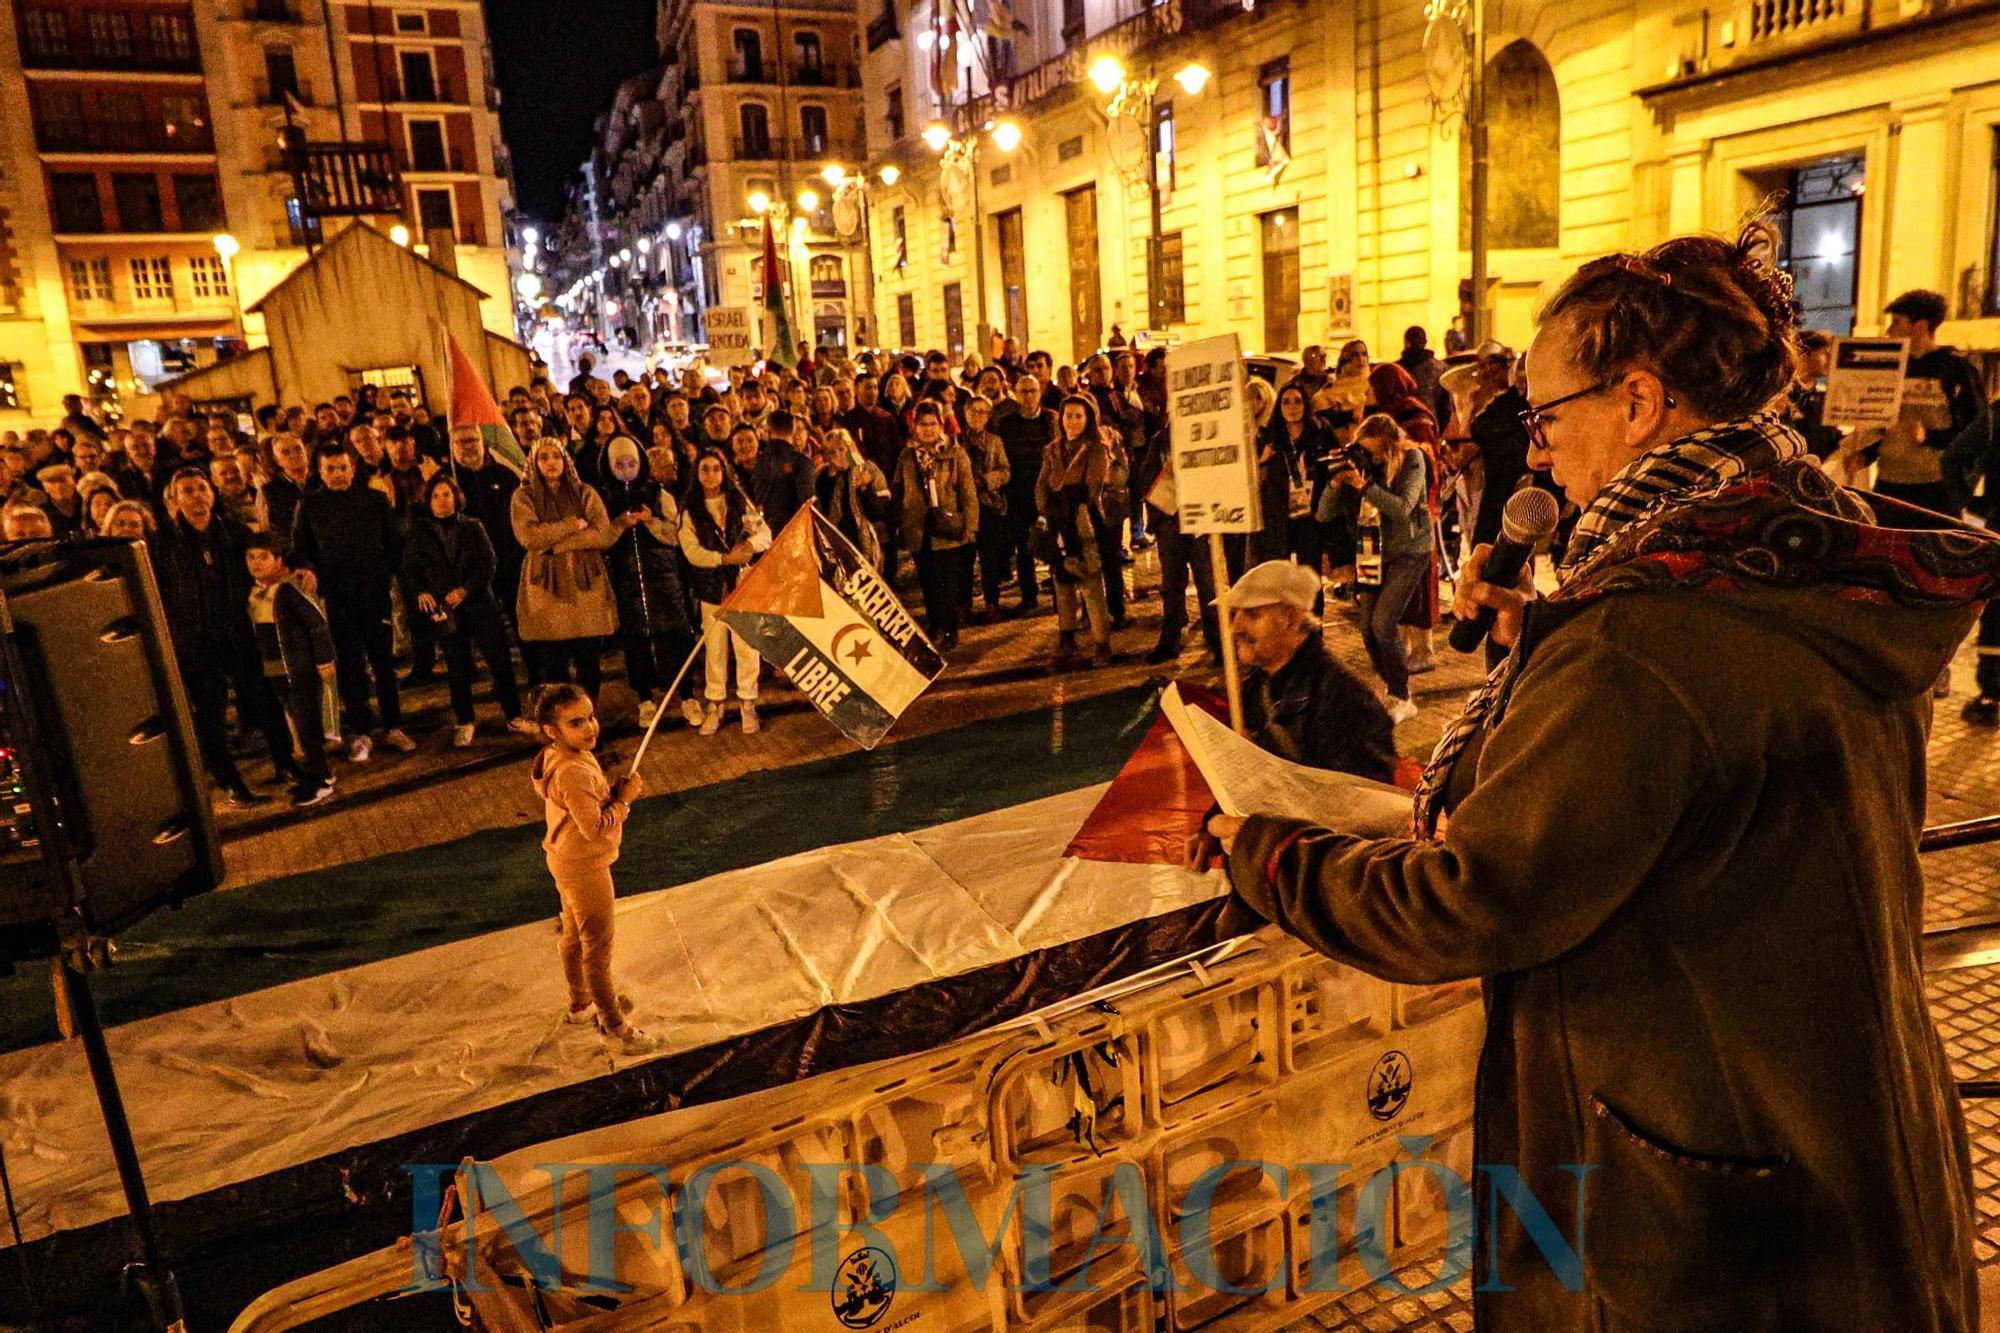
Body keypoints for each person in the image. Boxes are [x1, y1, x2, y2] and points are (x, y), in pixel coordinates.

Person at [1203, 222, 1993, 1333]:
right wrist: (1544, 639)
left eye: (1545, 416)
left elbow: (1472, 899)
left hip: (1697, 1213)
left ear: (1636, 402)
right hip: (1846, 1137)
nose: (1533, 453)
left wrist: (1264, 852)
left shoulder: (1641, 634)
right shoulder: (1817, 554)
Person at [153, 470, 302, 804]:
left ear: (213, 493)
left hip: (237, 633)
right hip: (195, 641)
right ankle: (230, 780)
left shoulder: (234, 534)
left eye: (202, 489)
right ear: (175, 500)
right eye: (187, 491)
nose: (196, 497)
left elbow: (265, 566)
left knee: (263, 699)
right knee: (211, 713)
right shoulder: (162, 543)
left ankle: (286, 761)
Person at [528, 683, 653, 1050]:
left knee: (572, 935)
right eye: (576, 722)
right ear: (552, 731)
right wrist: (625, 802)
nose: (591, 728)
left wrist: (609, 795)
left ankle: (581, 1003)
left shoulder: (552, 756)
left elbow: (580, 804)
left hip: (563, 858)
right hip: (584, 865)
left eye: (591, 717)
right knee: (597, 948)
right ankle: (614, 1024)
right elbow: (595, 827)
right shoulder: (574, 770)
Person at [1218, 560, 1397, 782]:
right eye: (1236, 613)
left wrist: (1265, 771)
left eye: (1253, 615)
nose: (1237, 626)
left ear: (1292, 619)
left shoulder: (1344, 703)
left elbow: (1358, 804)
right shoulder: (1258, 686)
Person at [292, 443, 413, 761]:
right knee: (350, 666)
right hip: (336, 599)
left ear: (353, 468)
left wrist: (382, 574)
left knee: (384, 663)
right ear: (320, 471)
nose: (338, 474)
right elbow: (301, 548)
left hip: (374, 595)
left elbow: (394, 543)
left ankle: (394, 726)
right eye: (330, 469)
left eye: (343, 467)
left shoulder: (375, 500)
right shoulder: (309, 505)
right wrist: (310, 571)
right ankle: (362, 732)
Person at [403, 473, 535, 746]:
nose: (442, 500)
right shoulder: (420, 531)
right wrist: (421, 591)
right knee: (457, 665)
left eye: (447, 494)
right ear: (429, 500)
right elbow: (410, 568)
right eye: (437, 496)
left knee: (499, 661)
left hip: (478, 604)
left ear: (456, 497)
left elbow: (488, 562)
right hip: (446, 610)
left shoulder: (472, 526)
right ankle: (465, 720)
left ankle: (513, 714)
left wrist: (467, 589)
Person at [1331, 413, 1430, 724]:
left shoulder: (1412, 458)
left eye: (1374, 452)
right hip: (1373, 555)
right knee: (1366, 629)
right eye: (1365, 450)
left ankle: (1403, 696)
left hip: (1410, 551)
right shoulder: (1363, 466)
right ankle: (1392, 688)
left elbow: (1403, 508)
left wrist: (1366, 487)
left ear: (1389, 447)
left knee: (1383, 624)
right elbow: (1322, 515)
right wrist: (1335, 483)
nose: (1370, 457)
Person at [600, 437, 695, 729]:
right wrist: (620, 525)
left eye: (632, 463)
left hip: (663, 577)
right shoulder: (604, 498)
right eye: (620, 465)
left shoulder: (658, 493)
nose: (627, 470)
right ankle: (645, 699)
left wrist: (651, 522)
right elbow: (601, 538)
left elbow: (675, 534)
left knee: (675, 634)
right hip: (626, 580)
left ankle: (687, 694)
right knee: (636, 640)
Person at [512, 440, 618, 698]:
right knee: (555, 666)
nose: (551, 463)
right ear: (534, 464)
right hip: (547, 590)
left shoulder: (585, 493)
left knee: (588, 663)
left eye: (556, 457)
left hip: (585, 587)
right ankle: (563, 727)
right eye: (544, 458)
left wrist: (555, 546)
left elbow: (603, 534)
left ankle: (589, 722)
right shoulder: (523, 497)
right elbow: (530, 538)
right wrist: (572, 524)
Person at [244, 534, 338, 807]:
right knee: (298, 722)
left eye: (263, 557)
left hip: (299, 668)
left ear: (278, 559)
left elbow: (316, 623)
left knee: (306, 724)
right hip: (275, 670)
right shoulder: (257, 591)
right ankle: (319, 774)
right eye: (251, 557)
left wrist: (324, 660)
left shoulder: (288, 587)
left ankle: (320, 781)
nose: (257, 563)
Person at [678, 448, 765, 735]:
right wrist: (723, 559)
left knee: (747, 646)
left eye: (716, 468)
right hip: (711, 588)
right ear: (697, 473)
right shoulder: (690, 510)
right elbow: (691, 551)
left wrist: (750, 547)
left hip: (743, 584)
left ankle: (747, 702)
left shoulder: (739, 502)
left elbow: (765, 533)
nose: (711, 474)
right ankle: (715, 703)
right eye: (705, 469)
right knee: (714, 647)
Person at [1035, 395, 1114, 669]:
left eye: (1078, 416)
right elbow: (1042, 484)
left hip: (1083, 523)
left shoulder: (1096, 448)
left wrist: (1068, 496)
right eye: (1068, 415)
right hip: (1058, 522)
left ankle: (1101, 642)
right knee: (1063, 584)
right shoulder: (1053, 450)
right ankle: (1066, 637)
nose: (1072, 421)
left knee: (1090, 584)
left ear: (1089, 418)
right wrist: (1047, 510)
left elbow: (1094, 486)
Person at [896, 400, 979, 649]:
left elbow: (967, 489)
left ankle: (950, 627)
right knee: (928, 581)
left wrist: (970, 523)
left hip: (948, 526)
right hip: (918, 527)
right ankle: (934, 624)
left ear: (940, 424)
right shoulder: (908, 455)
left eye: (932, 424)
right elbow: (899, 488)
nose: (928, 429)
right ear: (915, 427)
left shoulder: (955, 453)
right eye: (923, 424)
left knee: (948, 581)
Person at [993, 374, 1056, 614]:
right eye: (1023, 391)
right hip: (1019, 493)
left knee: (1052, 544)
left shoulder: (1051, 419)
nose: (1028, 396)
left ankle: (1061, 596)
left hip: (1048, 493)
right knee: (1023, 548)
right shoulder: (1006, 423)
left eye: (1032, 390)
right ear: (1015, 394)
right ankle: (1029, 595)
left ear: (1039, 392)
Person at [962, 394, 1013, 620]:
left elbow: (1005, 471)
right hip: (965, 507)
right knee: (964, 558)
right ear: (965, 413)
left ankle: (992, 602)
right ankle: (964, 605)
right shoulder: (956, 442)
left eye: (983, 412)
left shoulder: (995, 441)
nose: (977, 416)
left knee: (990, 558)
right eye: (974, 411)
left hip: (990, 505)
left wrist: (986, 480)